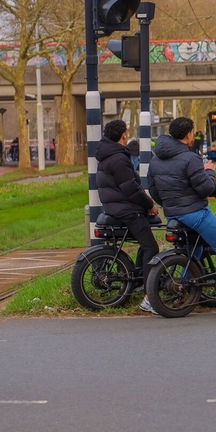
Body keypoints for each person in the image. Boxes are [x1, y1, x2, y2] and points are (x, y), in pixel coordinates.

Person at [148, 117, 216, 317]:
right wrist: (210, 172)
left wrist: (170, 204)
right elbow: (205, 188)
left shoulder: (155, 159)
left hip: (173, 214)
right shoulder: (190, 158)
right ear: (188, 135)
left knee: (196, 248)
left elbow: (154, 191)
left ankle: (185, 289)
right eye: (193, 133)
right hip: (195, 213)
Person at [97, 120, 162, 314]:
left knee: (145, 243)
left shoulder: (106, 155)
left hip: (114, 207)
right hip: (126, 210)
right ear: (123, 135)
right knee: (151, 247)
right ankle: (150, 297)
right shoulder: (118, 158)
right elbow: (131, 189)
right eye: (126, 133)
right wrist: (150, 205)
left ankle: (141, 281)